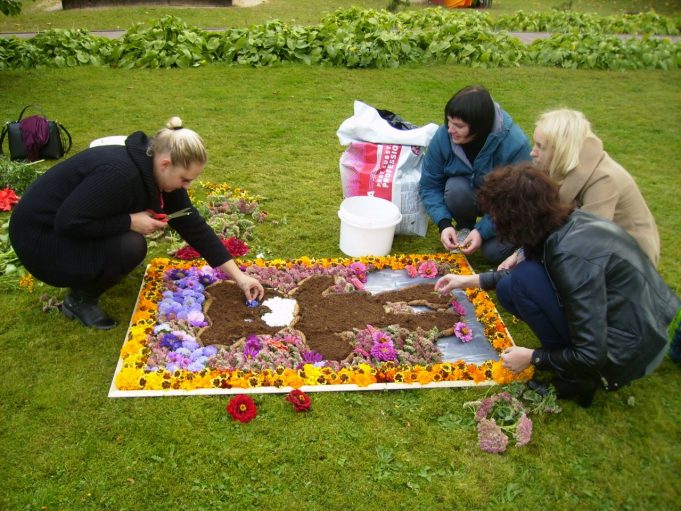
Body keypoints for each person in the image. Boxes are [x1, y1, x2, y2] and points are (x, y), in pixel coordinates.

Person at [434, 163, 680, 407]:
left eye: (497, 217)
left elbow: (590, 353)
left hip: (625, 353)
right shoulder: (559, 223)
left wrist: (534, 357)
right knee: (511, 287)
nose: (495, 225)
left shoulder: (570, 258)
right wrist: (467, 281)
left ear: (517, 219)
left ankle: (578, 379)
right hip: (631, 325)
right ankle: (564, 356)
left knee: (521, 280)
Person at [9, 117, 264, 330]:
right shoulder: (120, 175)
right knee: (130, 246)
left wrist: (239, 277)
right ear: (165, 164)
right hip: (40, 242)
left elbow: (191, 223)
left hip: (62, 227)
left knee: (126, 244)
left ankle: (91, 272)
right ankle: (80, 300)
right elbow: (68, 223)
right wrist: (128, 221)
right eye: (185, 180)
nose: (187, 187)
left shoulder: (156, 169)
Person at [499, 108, 659, 271]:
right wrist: (522, 252)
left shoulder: (604, 180)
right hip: (594, 252)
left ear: (560, 150)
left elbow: (590, 243)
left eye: (540, 146)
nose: (533, 152)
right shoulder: (563, 164)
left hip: (631, 265)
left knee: (522, 279)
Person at [419, 84, 531, 264]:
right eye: (449, 121)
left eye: (459, 126)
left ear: (480, 127)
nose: (450, 129)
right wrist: (444, 223)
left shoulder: (516, 145)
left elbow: (517, 201)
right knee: (455, 188)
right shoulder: (443, 136)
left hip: (509, 208)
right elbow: (429, 184)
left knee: (493, 253)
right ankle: (464, 227)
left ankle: (518, 245)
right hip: (474, 195)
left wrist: (483, 231)